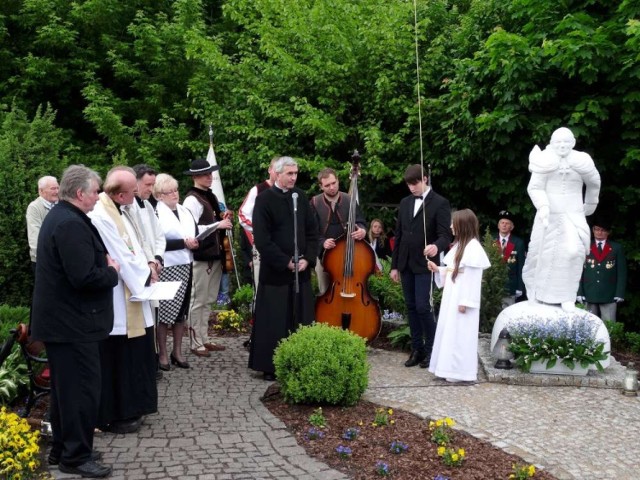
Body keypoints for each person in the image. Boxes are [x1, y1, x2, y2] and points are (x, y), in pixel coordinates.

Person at [31, 165, 118, 478]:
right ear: (80, 193)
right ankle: (76, 457)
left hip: (65, 323)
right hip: (72, 324)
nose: (98, 197)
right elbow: (82, 277)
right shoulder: (69, 223)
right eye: (95, 191)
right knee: (81, 391)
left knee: (66, 390)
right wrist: (112, 272)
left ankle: (62, 449)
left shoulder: (63, 217)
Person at [89, 166, 158, 435]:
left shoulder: (122, 210)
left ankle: (136, 406)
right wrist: (145, 277)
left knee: (137, 353)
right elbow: (121, 256)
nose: (136, 195)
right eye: (131, 192)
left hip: (134, 289)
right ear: (118, 194)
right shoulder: (102, 216)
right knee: (122, 356)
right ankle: (120, 411)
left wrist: (150, 264)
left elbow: (136, 247)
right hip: (120, 297)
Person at [248, 156, 318, 381]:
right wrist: (284, 261)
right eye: (289, 174)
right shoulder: (265, 199)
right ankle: (271, 365)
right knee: (275, 319)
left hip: (301, 271)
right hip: (277, 272)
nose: (293, 177)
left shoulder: (301, 197)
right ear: (277, 174)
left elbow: (311, 232)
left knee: (301, 316)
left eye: (296, 173)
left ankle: (302, 360)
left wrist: (308, 258)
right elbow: (262, 238)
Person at [522, 127, 601, 311]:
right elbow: (534, 187)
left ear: (573, 142)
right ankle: (538, 294)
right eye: (558, 142)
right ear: (552, 142)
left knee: (574, 252)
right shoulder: (544, 160)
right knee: (544, 255)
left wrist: (590, 204)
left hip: (573, 214)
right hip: (549, 214)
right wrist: (543, 206)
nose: (562, 145)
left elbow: (594, 182)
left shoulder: (582, 160)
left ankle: (567, 296)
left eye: (566, 142)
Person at [390, 164, 452, 369]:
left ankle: (432, 349)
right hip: (406, 263)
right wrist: (394, 266)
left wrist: (436, 246)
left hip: (426, 264)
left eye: (415, 183)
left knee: (424, 307)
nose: (411, 188)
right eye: (408, 184)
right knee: (411, 307)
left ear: (425, 179)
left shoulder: (440, 203)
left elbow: (446, 235)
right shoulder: (405, 202)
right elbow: (398, 235)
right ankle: (417, 349)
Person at [427, 209, 490, 383]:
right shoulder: (461, 245)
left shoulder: (473, 248)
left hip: (462, 299)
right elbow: (455, 270)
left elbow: (472, 279)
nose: (450, 226)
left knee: (460, 335)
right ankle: (446, 368)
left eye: (453, 223)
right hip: (452, 295)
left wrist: (466, 302)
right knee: (449, 332)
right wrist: (438, 269)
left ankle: (459, 372)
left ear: (462, 225)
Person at [182, 158, 233, 357]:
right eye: (204, 174)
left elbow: (213, 220)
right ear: (195, 177)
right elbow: (191, 229)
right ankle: (195, 341)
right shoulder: (192, 199)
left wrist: (223, 217)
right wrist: (217, 226)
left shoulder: (209, 196)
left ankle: (203, 337)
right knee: (198, 300)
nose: (209, 177)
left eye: (210, 173)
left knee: (209, 299)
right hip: (201, 255)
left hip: (215, 253)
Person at [154, 173, 199, 370]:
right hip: (168, 266)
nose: (174, 194)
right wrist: (183, 243)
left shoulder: (184, 211)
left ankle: (177, 352)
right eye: (169, 191)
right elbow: (157, 242)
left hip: (186, 263)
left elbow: (195, 232)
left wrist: (197, 241)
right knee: (165, 312)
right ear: (159, 195)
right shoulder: (156, 213)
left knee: (181, 311)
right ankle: (163, 352)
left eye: (176, 190)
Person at [310, 167, 366, 294]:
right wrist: (322, 242)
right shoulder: (314, 202)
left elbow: (361, 221)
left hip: (349, 255)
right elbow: (311, 231)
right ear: (321, 186)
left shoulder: (349, 200)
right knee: (325, 292)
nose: (331, 187)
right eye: (327, 185)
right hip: (324, 255)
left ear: (338, 181)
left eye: (333, 183)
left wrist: (362, 230)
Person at [238, 157, 278, 290]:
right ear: (269, 170)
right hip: (263, 246)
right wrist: (260, 231)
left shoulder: (289, 191)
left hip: (283, 247)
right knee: (262, 286)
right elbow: (243, 215)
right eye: (275, 170)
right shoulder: (258, 190)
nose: (278, 174)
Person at [577, 219, 627, 321]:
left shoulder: (616, 248)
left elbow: (622, 273)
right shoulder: (585, 246)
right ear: (593, 230)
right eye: (597, 229)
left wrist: (619, 293)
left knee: (609, 326)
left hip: (609, 294)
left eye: (603, 230)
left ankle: (610, 338)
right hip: (589, 292)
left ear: (608, 232)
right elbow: (578, 271)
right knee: (588, 325)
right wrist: (579, 292)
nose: (599, 232)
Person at [26, 175, 59, 271]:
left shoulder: (62, 203)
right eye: (53, 189)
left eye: (58, 188)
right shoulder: (34, 208)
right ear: (41, 191)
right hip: (43, 260)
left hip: (61, 258)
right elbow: (35, 239)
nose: (57, 191)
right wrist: (47, 260)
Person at [494, 210, 526, 307]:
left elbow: (521, 267)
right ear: (498, 225)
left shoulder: (518, 243)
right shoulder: (490, 240)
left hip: (510, 287)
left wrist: (520, 287)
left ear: (511, 227)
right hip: (493, 285)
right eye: (502, 223)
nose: (504, 225)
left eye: (507, 223)